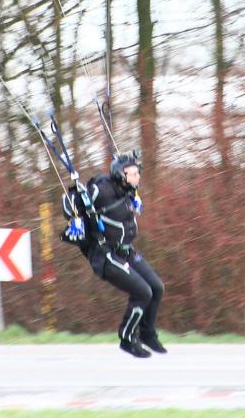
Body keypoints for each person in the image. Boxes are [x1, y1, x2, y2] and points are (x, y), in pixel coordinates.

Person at [79, 151, 166, 358]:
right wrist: (76, 218)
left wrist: (134, 199)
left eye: (138, 172)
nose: (138, 177)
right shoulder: (102, 190)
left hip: (126, 250)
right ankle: (127, 338)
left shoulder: (127, 190)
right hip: (105, 254)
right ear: (121, 175)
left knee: (156, 287)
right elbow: (74, 203)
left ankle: (147, 333)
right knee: (143, 292)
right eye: (133, 173)